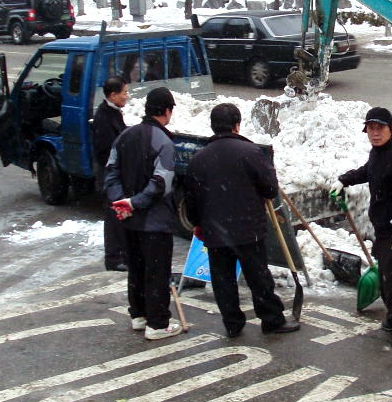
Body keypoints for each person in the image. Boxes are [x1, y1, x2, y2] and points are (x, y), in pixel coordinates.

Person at [183, 102, 299, 338]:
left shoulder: (199, 159)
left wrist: (198, 223)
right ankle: (271, 320)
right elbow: (269, 188)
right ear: (237, 125)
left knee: (223, 280)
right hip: (248, 229)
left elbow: (191, 199)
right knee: (258, 277)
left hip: (215, 231)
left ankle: (232, 322)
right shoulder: (251, 152)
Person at [331, 107, 392, 348]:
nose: (375, 133)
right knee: (387, 277)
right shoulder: (378, 153)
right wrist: (344, 179)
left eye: (380, 128)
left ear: (390, 129)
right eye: (371, 128)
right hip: (384, 228)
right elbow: (367, 171)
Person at [104, 87, 181, 341]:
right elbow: (162, 184)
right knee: (156, 273)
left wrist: (121, 202)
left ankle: (138, 315)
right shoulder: (164, 143)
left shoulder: (124, 137)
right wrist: (135, 202)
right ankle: (158, 323)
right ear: (167, 111)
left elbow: (111, 172)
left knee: (136, 269)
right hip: (154, 222)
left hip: (128, 221)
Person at [93, 76, 129, 272]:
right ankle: (114, 258)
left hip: (114, 175)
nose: (127, 96)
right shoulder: (104, 117)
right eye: (124, 93)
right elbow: (105, 151)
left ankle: (121, 254)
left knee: (119, 215)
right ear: (113, 95)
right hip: (110, 176)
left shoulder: (113, 112)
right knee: (114, 217)